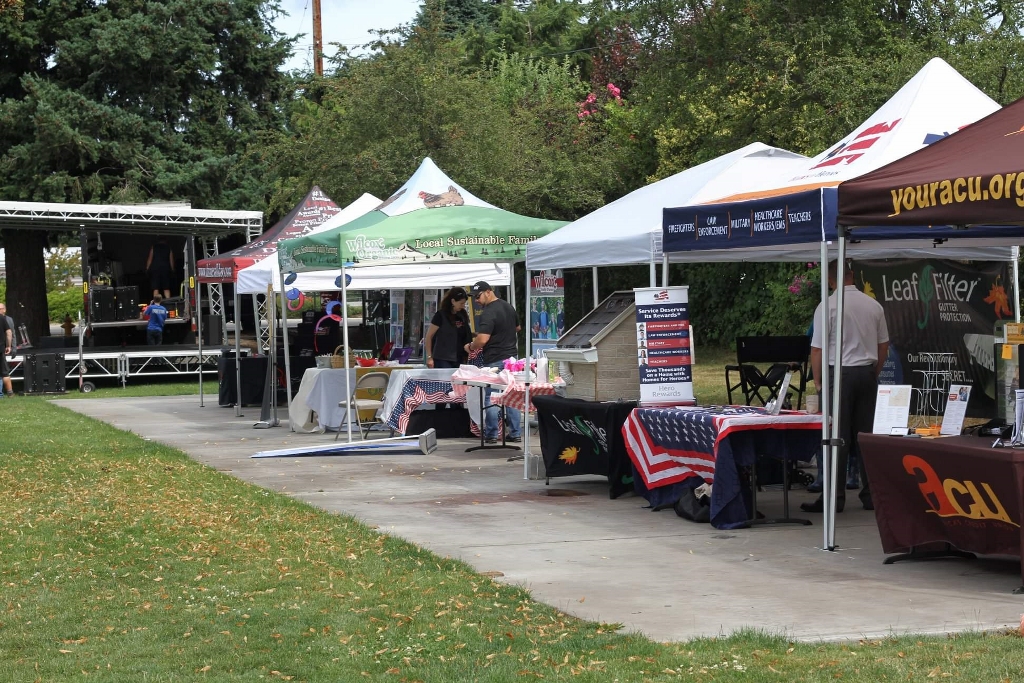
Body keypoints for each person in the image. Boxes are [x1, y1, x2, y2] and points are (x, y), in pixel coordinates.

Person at [802, 260, 888, 513]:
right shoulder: (873, 305)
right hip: (866, 373)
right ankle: (870, 495)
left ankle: (833, 498)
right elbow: (884, 345)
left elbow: (817, 349)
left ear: (831, 280)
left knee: (836, 437)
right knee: (865, 437)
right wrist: (875, 370)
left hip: (839, 373)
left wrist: (818, 381)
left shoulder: (827, 306)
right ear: (853, 276)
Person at [464, 281, 521, 443]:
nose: (476, 300)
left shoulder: (488, 312)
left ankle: (491, 434)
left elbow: (482, 340)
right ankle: (516, 432)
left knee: (492, 397)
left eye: (478, 296)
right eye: (474, 297)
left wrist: (470, 346)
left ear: (489, 292)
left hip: (495, 359)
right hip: (511, 360)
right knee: (511, 395)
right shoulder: (508, 307)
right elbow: (517, 328)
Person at [424, 287, 470, 369]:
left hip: (459, 358)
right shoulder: (440, 315)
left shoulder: (462, 315)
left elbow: (464, 333)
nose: (463, 306)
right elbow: (429, 336)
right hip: (443, 358)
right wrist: (429, 357)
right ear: (453, 301)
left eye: (464, 303)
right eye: (461, 303)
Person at [0, 304, 12, 397]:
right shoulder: (2, 318)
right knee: (4, 372)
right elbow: (8, 332)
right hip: (0, 348)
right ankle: (10, 393)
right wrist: (8, 345)